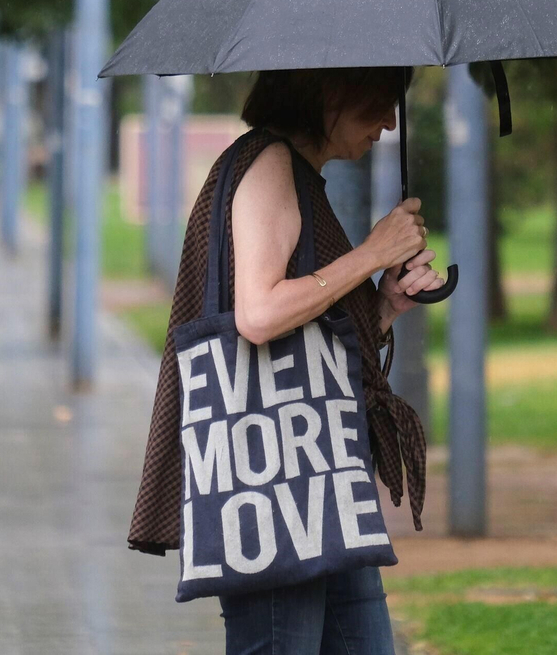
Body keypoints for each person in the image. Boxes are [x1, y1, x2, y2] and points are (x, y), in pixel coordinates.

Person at [128, 66, 440, 655]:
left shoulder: (296, 176)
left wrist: (385, 302)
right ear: (329, 91)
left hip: (320, 481)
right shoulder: (268, 166)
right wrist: (373, 252)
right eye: (378, 99)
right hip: (273, 485)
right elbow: (260, 315)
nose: (389, 121)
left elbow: (309, 339)